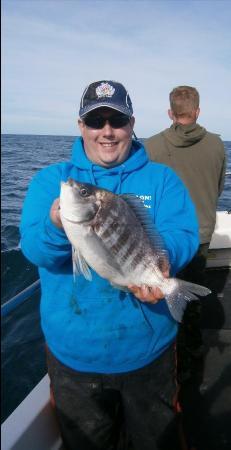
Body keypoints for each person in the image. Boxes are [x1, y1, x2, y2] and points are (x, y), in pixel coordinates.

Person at [20, 80, 200, 450]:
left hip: (149, 352)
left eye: (116, 120)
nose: (106, 131)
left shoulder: (162, 179)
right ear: (81, 126)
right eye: (95, 121)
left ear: (132, 124)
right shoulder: (51, 181)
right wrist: (57, 225)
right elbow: (36, 250)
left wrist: (160, 264)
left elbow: (184, 233)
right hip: (73, 358)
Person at [145, 86, 226, 382]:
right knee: (190, 296)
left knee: (158, 294)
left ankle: (164, 357)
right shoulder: (218, 144)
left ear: (170, 113)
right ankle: (191, 357)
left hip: (161, 237)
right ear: (198, 111)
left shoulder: (151, 146)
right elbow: (218, 187)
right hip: (200, 233)